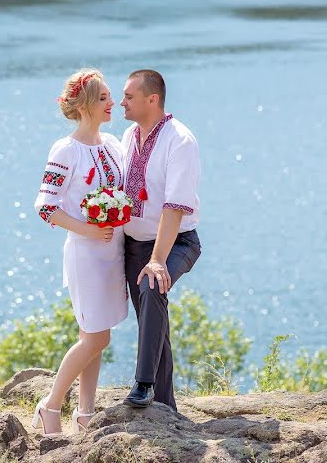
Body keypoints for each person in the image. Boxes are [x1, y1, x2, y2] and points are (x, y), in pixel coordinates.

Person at [31, 69, 128, 436]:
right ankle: (50, 405)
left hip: (112, 253)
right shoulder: (65, 149)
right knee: (96, 337)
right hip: (85, 256)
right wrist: (88, 228)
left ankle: (85, 413)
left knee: (98, 332)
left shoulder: (113, 144)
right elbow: (45, 206)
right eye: (104, 97)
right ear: (86, 104)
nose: (112, 102)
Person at [119, 69, 202, 411]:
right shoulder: (128, 135)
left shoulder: (179, 140)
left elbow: (174, 206)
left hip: (176, 243)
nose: (121, 102)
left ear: (151, 100)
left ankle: (143, 384)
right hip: (134, 246)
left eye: (128, 97)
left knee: (154, 287)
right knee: (153, 325)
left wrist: (157, 259)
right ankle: (167, 407)